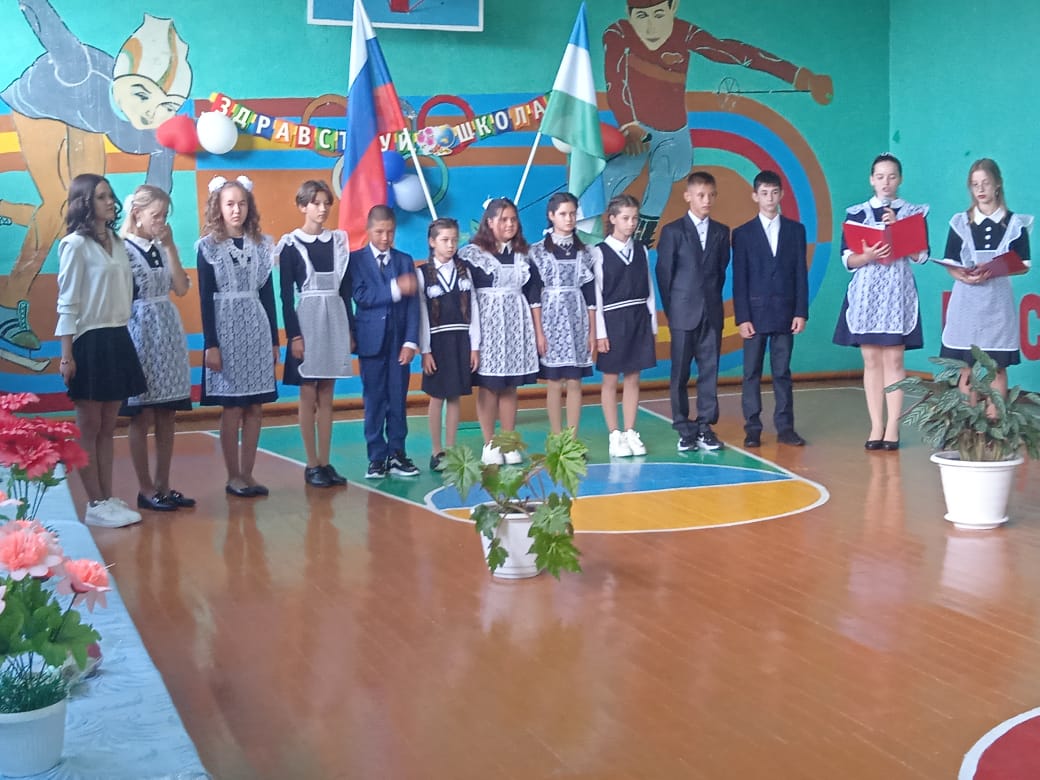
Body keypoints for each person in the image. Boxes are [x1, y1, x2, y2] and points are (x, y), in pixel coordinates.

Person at [1, 3, 192, 353]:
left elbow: (157, 191)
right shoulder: (80, 70)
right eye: (141, 95)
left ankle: (5, 209)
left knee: (84, 211)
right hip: (38, 107)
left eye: (167, 106)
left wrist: (149, 226)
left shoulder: (152, 131)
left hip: (88, 120)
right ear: (121, 80)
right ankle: (8, 304)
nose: (150, 113)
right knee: (61, 203)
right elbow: (46, 23)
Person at [602, 0, 832, 246]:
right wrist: (628, 124)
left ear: (673, 7)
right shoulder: (619, 33)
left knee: (662, 171)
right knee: (615, 172)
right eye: (641, 17)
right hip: (638, 131)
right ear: (629, 14)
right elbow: (615, 80)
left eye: (658, 15)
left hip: (673, 137)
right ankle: (597, 230)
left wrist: (801, 77)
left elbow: (737, 53)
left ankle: (641, 241)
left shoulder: (684, 33)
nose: (650, 28)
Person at [55, 173, 146, 528]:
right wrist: (67, 355)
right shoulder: (75, 245)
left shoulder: (118, 242)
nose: (110, 202)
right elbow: (68, 302)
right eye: (101, 197)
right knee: (89, 426)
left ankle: (106, 498)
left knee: (109, 425)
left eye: (110, 196)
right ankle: (93, 502)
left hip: (116, 335)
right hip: (89, 340)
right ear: (85, 203)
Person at [832, 153, 928, 451]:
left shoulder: (913, 213)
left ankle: (893, 427)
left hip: (897, 293)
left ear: (900, 179)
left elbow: (921, 256)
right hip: (867, 293)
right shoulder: (856, 213)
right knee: (871, 359)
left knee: (895, 359)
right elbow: (848, 259)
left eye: (892, 176)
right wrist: (867, 256)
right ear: (871, 179)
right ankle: (876, 425)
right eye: (880, 176)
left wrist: (900, 229)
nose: (886, 182)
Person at [197, 175, 279, 497]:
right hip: (226, 329)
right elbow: (205, 298)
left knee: (255, 407)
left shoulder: (261, 245)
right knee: (232, 407)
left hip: (256, 328)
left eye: (242, 203)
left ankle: (248, 473)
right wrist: (211, 344)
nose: (236, 210)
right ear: (218, 207)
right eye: (230, 203)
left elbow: (268, 295)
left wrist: (274, 340)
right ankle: (233, 476)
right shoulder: (208, 247)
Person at [120, 184, 194, 512]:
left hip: (167, 330)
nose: (161, 221)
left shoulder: (161, 247)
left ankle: (164, 484)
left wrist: (171, 245)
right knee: (143, 413)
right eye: (156, 215)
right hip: (139, 331)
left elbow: (181, 288)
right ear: (137, 214)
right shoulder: (122, 248)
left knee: (167, 412)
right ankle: (145, 487)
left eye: (164, 215)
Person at [278, 180, 353, 488]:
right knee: (308, 392)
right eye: (316, 203)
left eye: (326, 203)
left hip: (334, 319)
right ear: (302, 206)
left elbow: (345, 291)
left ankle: (325, 460)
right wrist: (294, 336)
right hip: (308, 321)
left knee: (327, 395)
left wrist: (349, 329)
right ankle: (311, 463)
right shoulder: (290, 245)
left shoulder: (338, 242)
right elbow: (285, 297)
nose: (322, 209)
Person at [458, 198, 544, 465]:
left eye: (513, 219)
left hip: (516, 325)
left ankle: (508, 441)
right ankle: (490, 444)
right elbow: (464, 296)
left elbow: (534, 295)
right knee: (489, 385)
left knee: (509, 386)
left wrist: (538, 332)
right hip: (487, 326)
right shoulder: (472, 255)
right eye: (503, 219)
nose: (509, 224)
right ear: (490, 221)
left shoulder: (523, 255)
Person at [939, 158, 1031, 403]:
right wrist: (961, 274)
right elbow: (951, 263)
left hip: (997, 305)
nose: (980, 189)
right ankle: (968, 421)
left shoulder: (1015, 224)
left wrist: (996, 269)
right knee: (966, 368)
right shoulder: (960, 222)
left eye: (986, 183)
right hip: (966, 303)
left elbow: (1023, 265)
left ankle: (994, 420)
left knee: (996, 367)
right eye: (975, 184)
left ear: (997, 184)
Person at [731, 170, 809, 448]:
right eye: (764, 193)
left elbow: (800, 274)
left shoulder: (796, 231)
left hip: (785, 313)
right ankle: (752, 428)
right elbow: (739, 279)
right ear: (755, 196)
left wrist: (801, 312)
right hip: (754, 315)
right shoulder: (742, 234)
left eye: (774, 192)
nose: (770, 198)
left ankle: (785, 427)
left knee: (782, 372)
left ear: (782, 195)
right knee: (751, 372)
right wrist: (742, 317)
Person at [656, 171, 731, 452]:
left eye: (711, 195)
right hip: (681, 313)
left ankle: (705, 426)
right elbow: (664, 274)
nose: (706, 200)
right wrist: (673, 309)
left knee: (709, 370)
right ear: (688, 196)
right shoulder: (673, 231)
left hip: (711, 312)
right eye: (700, 195)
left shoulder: (721, 232)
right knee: (680, 372)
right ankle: (683, 427)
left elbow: (720, 271)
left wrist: (709, 300)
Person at [348, 205, 420, 479]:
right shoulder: (355, 261)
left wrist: (411, 341)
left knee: (398, 399)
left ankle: (397, 453)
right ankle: (376, 457)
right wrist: (395, 287)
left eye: (390, 232)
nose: (385, 238)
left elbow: (413, 305)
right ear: (368, 231)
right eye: (379, 232)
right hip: (370, 343)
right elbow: (362, 296)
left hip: (399, 343)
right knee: (374, 400)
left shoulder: (404, 260)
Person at [594, 194, 657, 457]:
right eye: (625, 218)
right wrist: (600, 332)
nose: (631, 223)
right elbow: (596, 297)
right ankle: (615, 434)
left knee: (633, 377)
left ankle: (630, 431)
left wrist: (652, 325)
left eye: (634, 218)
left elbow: (649, 290)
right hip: (613, 319)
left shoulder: (641, 250)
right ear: (612, 219)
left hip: (638, 318)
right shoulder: (599, 252)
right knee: (610, 379)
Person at [528, 193, 596, 436]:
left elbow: (590, 296)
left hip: (577, 318)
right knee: (555, 381)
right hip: (550, 319)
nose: (569, 219)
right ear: (551, 216)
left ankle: (572, 439)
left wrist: (592, 332)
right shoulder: (537, 251)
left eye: (572, 214)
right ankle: (557, 437)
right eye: (563, 214)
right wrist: (539, 333)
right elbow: (534, 296)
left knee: (575, 381)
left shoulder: (585, 252)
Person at [417, 218, 481, 471]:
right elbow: (421, 315)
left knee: (455, 395)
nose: (451, 245)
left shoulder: (465, 270)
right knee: (437, 396)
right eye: (445, 240)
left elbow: (474, 308)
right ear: (432, 242)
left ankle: (452, 449)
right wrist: (425, 350)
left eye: (454, 240)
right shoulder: (422, 273)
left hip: (461, 339)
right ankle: (437, 451)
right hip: (437, 341)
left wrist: (474, 346)